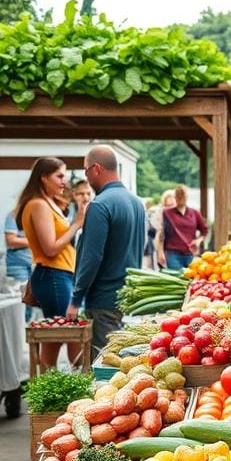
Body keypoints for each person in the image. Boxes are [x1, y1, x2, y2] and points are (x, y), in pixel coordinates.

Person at [66, 145, 146, 352]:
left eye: (86, 170)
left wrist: (75, 299)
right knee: (121, 360)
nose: (86, 176)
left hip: (104, 299)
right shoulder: (136, 203)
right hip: (127, 295)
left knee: (105, 363)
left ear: (96, 169)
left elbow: (91, 257)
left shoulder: (100, 205)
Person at [12, 157, 86, 370]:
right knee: (64, 333)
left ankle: (54, 381)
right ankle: (70, 380)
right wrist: (76, 224)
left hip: (60, 275)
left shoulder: (49, 203)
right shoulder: (38, 205)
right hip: (53, 275)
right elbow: (50, 248)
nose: (64, 181)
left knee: (59, 334)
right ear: (44, 178)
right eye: (59, 175)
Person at [156, 185, 208, 270]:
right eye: (178, 196)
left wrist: (198, 241)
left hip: (190, 253)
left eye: (183, 196)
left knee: (191, 280)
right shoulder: (167, 213)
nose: (180, 199)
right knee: (177, 280)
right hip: (172, 254)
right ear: (175, 197)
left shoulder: (194, 213)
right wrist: (160, 252)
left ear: (187, 197)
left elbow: (204, 230)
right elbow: (162, 233)